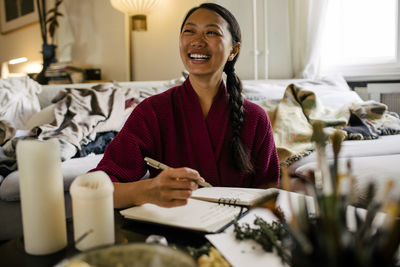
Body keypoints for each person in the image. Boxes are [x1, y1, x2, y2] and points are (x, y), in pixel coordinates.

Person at [91, 3, 280, 209]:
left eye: (211, 32)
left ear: (233, 50)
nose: (197, 41)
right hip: (169, 233)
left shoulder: (256, 118)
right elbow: (96, 188)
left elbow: (270, 196)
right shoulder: (151, 112)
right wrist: (146, 190)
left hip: (236, 234)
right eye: (189, 31)